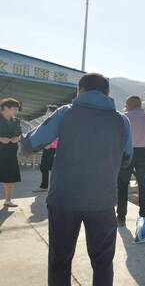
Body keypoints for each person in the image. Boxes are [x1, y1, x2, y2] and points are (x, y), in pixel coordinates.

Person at [21, 73, 133, 286]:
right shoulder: (122, 120)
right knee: (102, 262)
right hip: (102, 202)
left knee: (60, 260)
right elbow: (127, 158)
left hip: (64, 200)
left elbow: (33, 143)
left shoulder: (65, 113)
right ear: (106, 93)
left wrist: (22, 144)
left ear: (80, 91)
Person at [117, 96, 145, 226]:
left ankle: (121, 216)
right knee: (143, 186)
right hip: (144, 153)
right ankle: (144, 216)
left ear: (133, 104)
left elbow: (120, 137)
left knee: (122, 185)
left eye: (127, 104)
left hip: (127, 153)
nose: (126, 106)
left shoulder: (124, 116)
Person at [0, 98, 22, 207]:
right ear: (5, 108)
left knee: (9, 177)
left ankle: (8, 200)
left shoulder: (16, 121)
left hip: (10, 152)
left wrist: (16, 138)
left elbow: (19, 134)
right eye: (14, 108)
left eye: (17, 109)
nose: (16, 111)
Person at [37, 104, 59, 191]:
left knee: (44, 167)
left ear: (52, 112)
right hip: (50, 146)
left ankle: (44, 186)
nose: (46, 113)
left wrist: (49, 144)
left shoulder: (54, 120)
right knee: (50, 167)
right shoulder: (52, 120)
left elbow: (56, 134)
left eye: (48, 111)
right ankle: (50, 186)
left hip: (50, 147)